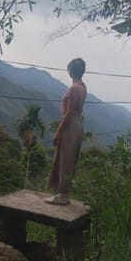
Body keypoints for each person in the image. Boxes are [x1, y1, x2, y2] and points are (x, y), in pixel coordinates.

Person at [46, 57, 87, 205]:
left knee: (65, 159)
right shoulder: (83, 87)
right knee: (70, 159)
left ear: (70, 71)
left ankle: (62, 195)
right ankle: (64, 193)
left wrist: (58, 132)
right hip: (78, 124)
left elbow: (69, 113)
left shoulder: (74, 88)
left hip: (70, 124)